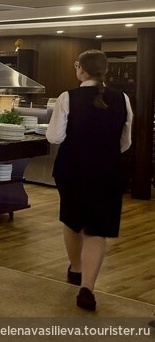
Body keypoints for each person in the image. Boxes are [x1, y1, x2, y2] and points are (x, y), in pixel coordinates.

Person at [46, 49, 133, 311]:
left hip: (72, 169)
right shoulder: (122, 98)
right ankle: (87, 287)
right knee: (97, 229)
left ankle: (76, 268)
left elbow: (55, 137)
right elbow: (125, 142)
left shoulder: (67, 97)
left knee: (73, 221)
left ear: (81, 70)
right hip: (108, 170)